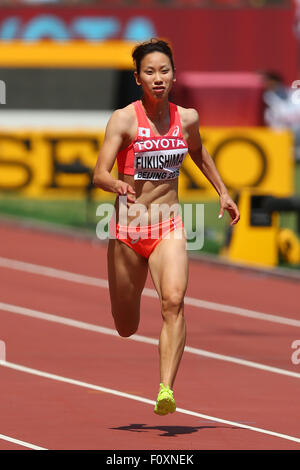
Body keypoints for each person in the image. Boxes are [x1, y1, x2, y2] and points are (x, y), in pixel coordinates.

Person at [93, 38, 240, 416]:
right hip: (128, 230)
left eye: (164, 71)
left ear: (174, 75)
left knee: (174, 301)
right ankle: (130, 320)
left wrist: (222, 192)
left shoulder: (186, 118)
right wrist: (116, 184)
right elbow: (99, 173)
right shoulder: (124, 119)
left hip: (169, 225)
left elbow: (198, 152)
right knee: (126, 326)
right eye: (150, 72)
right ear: (138, 77)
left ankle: (165, 389)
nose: (158, 78)